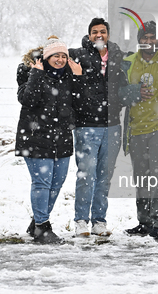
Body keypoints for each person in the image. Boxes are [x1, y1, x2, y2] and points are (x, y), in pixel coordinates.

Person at [15, 35, 83, 244]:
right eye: (56, 56)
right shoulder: (30, 73)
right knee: (42, 183)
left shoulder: (68, 77)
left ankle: (37, 222)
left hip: (61, 138)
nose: (60, 59)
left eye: (64, 56)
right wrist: (36, 73)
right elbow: (27, 99)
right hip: (35, 138)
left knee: (57, 182)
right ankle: (42, 228)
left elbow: (80, 104)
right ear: (46, 58)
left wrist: (79, 77)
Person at [119, 21, 158, 240]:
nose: (149, 42)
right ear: (139, 40)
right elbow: (117, 92)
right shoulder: (129, 62)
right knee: (142, 177)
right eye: (145, 38)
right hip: (136, 127)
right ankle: (144, 221)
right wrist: (133, 91)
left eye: (153, 37)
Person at [68, 18, 124, 237]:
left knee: (104, 176)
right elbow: (52, 57)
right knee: (86, 174)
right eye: (94, 32)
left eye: (102, 31)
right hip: (86, 125)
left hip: (112, 125)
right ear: (89, 35)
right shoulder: (78, 55)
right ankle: (81, 220)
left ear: (108, 34)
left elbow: (124, 85)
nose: (98, 35)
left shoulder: (118, 57)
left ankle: (99, 221)